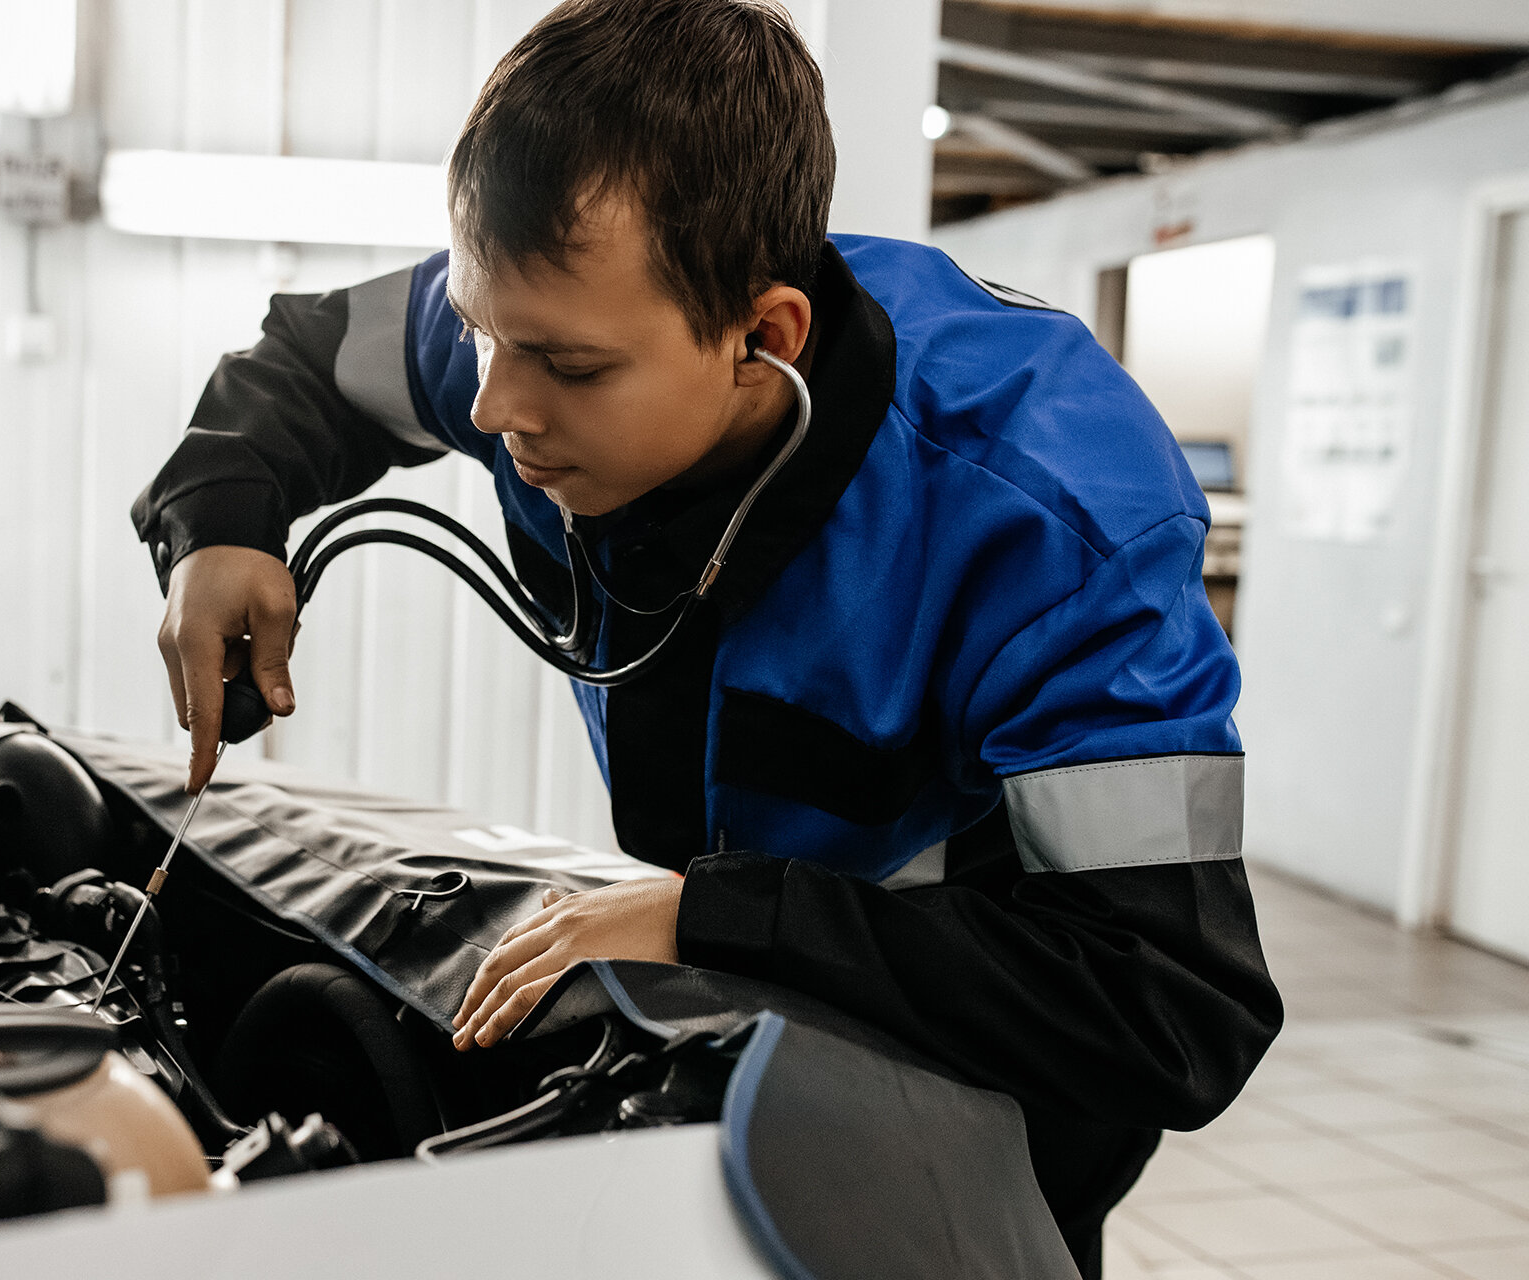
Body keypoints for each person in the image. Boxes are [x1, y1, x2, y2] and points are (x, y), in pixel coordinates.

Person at [134, 1, 1281, 1272]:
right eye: (477, 326)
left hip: (985, 1091)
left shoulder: (1052, 515)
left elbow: (1166, 1004)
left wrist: (718, 918)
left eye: (564, 367)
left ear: (764, 339)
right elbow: (299, 361)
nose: (489, 402)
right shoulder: (548, 309)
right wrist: (221, 521)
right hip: (732, 982)